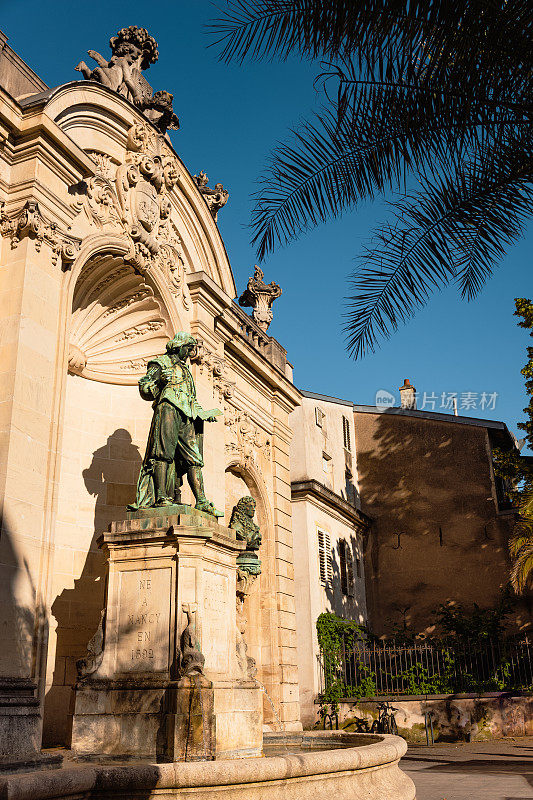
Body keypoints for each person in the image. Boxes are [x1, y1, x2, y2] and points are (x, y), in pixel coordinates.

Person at [128, 332, 222, 516]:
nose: (189, 353)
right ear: (179, 347)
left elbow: (191, 397)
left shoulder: (185, 370)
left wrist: (202, 413)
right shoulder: (160, 363)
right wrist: (161, 381)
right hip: (168, 408)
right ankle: (162, 496)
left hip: (187, 415)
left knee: (194, 458)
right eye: (188, 349)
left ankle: (201, 501)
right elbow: (145, 388)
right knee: (163, 453)